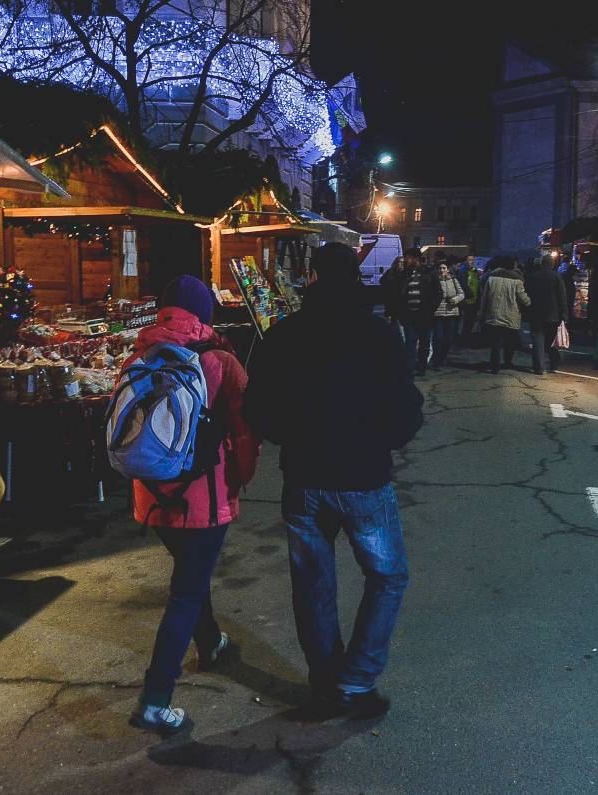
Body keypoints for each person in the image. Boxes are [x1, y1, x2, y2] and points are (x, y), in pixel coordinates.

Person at [244, 242, 423, 720]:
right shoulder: (378, 334)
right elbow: (405, 405)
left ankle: (327, 683)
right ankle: (356, 678)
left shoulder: (284, 334)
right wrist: (383, 440)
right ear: (356, 277)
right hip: (363, 475)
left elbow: (256, 407)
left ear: (313, 276)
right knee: (387, 576)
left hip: (304, 476)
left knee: (313, 585)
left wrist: (290, 436)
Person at [125, 275, 261, 734]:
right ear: (206, 313)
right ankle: (155, 698)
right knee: (186, 591)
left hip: (153, 494)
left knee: (190, 573)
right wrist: (241, 477)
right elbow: (246, 432)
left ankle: (211, 642)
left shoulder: (138, 356)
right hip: (204, 498)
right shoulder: (221, 361)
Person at [479, 256, 531, 374]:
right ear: (513, 266)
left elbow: (484, 297)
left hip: (494, 315)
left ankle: (494, 366)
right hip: (510, 317)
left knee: (495, 343)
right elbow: (524, 299)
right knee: (510, 342)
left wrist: (482, 313)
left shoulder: (491, 278)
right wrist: (529, 302)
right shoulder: (517, 281)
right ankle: (507, 362)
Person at [396, 250, 441, 376]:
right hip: (409, 316)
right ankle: (410, 369)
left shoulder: (429, 273)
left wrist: (431, 309)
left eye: (408, 258)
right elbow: (398, 294)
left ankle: (421, 367)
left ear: (416, 259)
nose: (406, 260)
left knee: (424, 343)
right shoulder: (405, 274)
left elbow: (438, 293)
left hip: (424, 316)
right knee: (410, 343)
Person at [525, 255, 568, 375]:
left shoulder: (533, 276)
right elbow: (562, 297)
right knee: (550, 341)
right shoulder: (557, 277)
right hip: (553, 315)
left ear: (541, 264)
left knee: (538, 341)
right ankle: (554, 361)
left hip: (536, 313)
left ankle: (539, 367)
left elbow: (527, 294)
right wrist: (564, 314)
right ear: (552, 265)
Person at [430, 260, 465, 369]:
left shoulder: (453, 279)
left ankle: (443, 357)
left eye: (444, 268)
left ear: (448, 269)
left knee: (449, 338)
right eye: (440, 268)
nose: (442, 270)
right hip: (438, 313)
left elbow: (461, 294)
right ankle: (437, 361)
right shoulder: (434, 280)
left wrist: (455, 300)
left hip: (451, 312)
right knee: (438, 338)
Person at [458, 255, 481, 343]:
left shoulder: (474, 272)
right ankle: (464, 340)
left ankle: (466, 338)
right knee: (467, 322)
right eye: (470, 260)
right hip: (466, 301)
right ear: (465, 261)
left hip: (473, 301)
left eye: (473, 260)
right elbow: (463, 285)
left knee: (470, 321)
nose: (472, 261)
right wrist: (469, 294)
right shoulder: (463, 272)